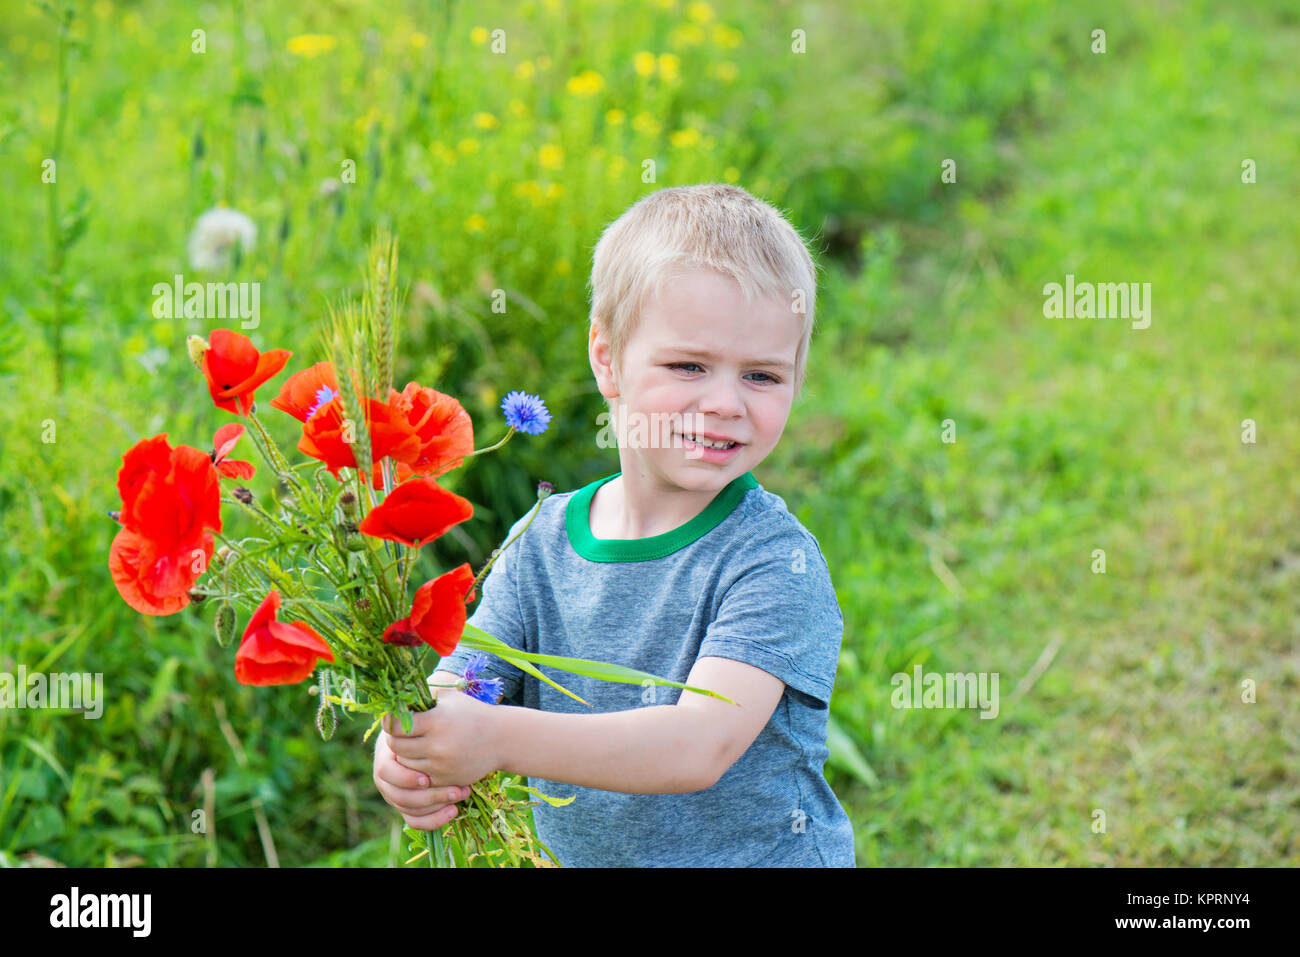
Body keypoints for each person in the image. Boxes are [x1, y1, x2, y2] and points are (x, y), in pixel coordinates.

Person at [373, 183, 855, 866]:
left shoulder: (775, 562)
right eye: (688, 365)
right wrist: (414, 748)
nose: (724, 402)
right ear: (607, 359)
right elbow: (464, 681)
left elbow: (697, 744)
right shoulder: (539, 541)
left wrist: (496, 739)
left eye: (762, 376)